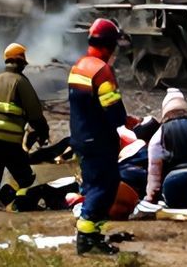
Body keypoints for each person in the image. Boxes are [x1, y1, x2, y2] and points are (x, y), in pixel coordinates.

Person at [68, 18, 129, 256]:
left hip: (81, 137)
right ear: (108, 45)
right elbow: (114, 113)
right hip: (99, 139)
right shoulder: (102, 71)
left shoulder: (79, 66)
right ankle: (87, 237)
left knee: (93, 185)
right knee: (105, 187)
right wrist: (126, 120)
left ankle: (91, 235)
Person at [0, 43, 49, 207]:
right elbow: (34, 112)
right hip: (8, 137)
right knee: (23, 172)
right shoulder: (20, 82)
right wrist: (43, 131)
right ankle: (23, 200)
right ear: (21, 63)